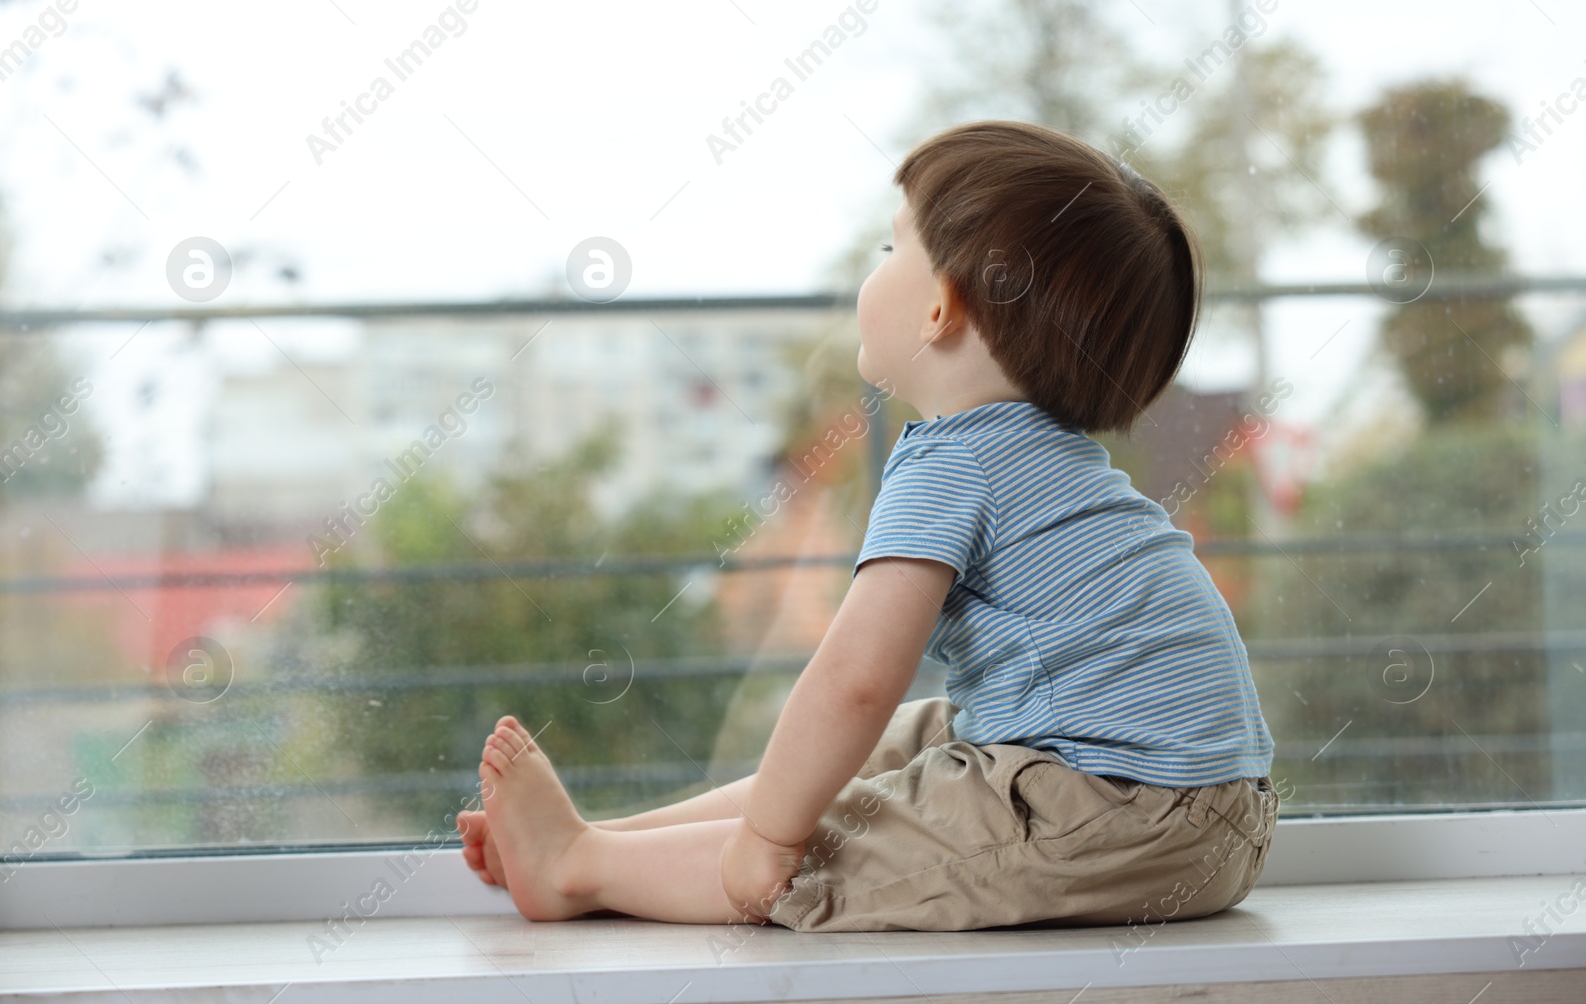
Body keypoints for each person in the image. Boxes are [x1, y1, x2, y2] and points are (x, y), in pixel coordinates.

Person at [456, 119, 1278, 932]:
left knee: (820, 852)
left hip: (1123, 815)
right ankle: (606, 840)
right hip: (1206, 813)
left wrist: (770, 843)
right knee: (917, 735)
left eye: (892, 250)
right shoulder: (1042, 462)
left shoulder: (951, 464)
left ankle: (575, 869)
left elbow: (854, 674)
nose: (874, 271)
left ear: (938, 309)